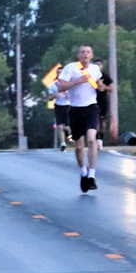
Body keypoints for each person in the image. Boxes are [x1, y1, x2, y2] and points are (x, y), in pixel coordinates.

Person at [58, 45, 105, 193]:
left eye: (88, 52)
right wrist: (76, 81)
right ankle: (83, 172)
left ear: (91, 56)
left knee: (91, 140)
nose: (85, 54)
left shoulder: (95, 70)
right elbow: (61, 87)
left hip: (91, 108)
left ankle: (91, 176)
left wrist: (100, 86)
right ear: (78, 55)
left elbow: (99, 86)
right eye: (83, 52)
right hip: (75, 110)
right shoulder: (70, 68)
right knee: (79, 146)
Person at [46, 66, 71, 151]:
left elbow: (76, 96)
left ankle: (69, 136)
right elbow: (49, 98)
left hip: (68, 107)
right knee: (59, 126)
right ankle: (63, 144)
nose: (60, 74)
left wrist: (69, 96)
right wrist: (53, 96)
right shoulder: (54, 85)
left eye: (62, 72)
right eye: (58, 72)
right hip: (58, 106)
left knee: (67, 127)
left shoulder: (69, 84)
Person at [93, 58, 114, 149]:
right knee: (94, 121)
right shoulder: (90, 76)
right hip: (92, 101)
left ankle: (100, 139)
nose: (97, 66)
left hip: (102, 101)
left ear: (102, 66)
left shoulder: (105, 77)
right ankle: (95, 138)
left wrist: (104, 87)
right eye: (96, 64)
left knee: (102, 121)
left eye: (99, 65)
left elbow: (111, 89)